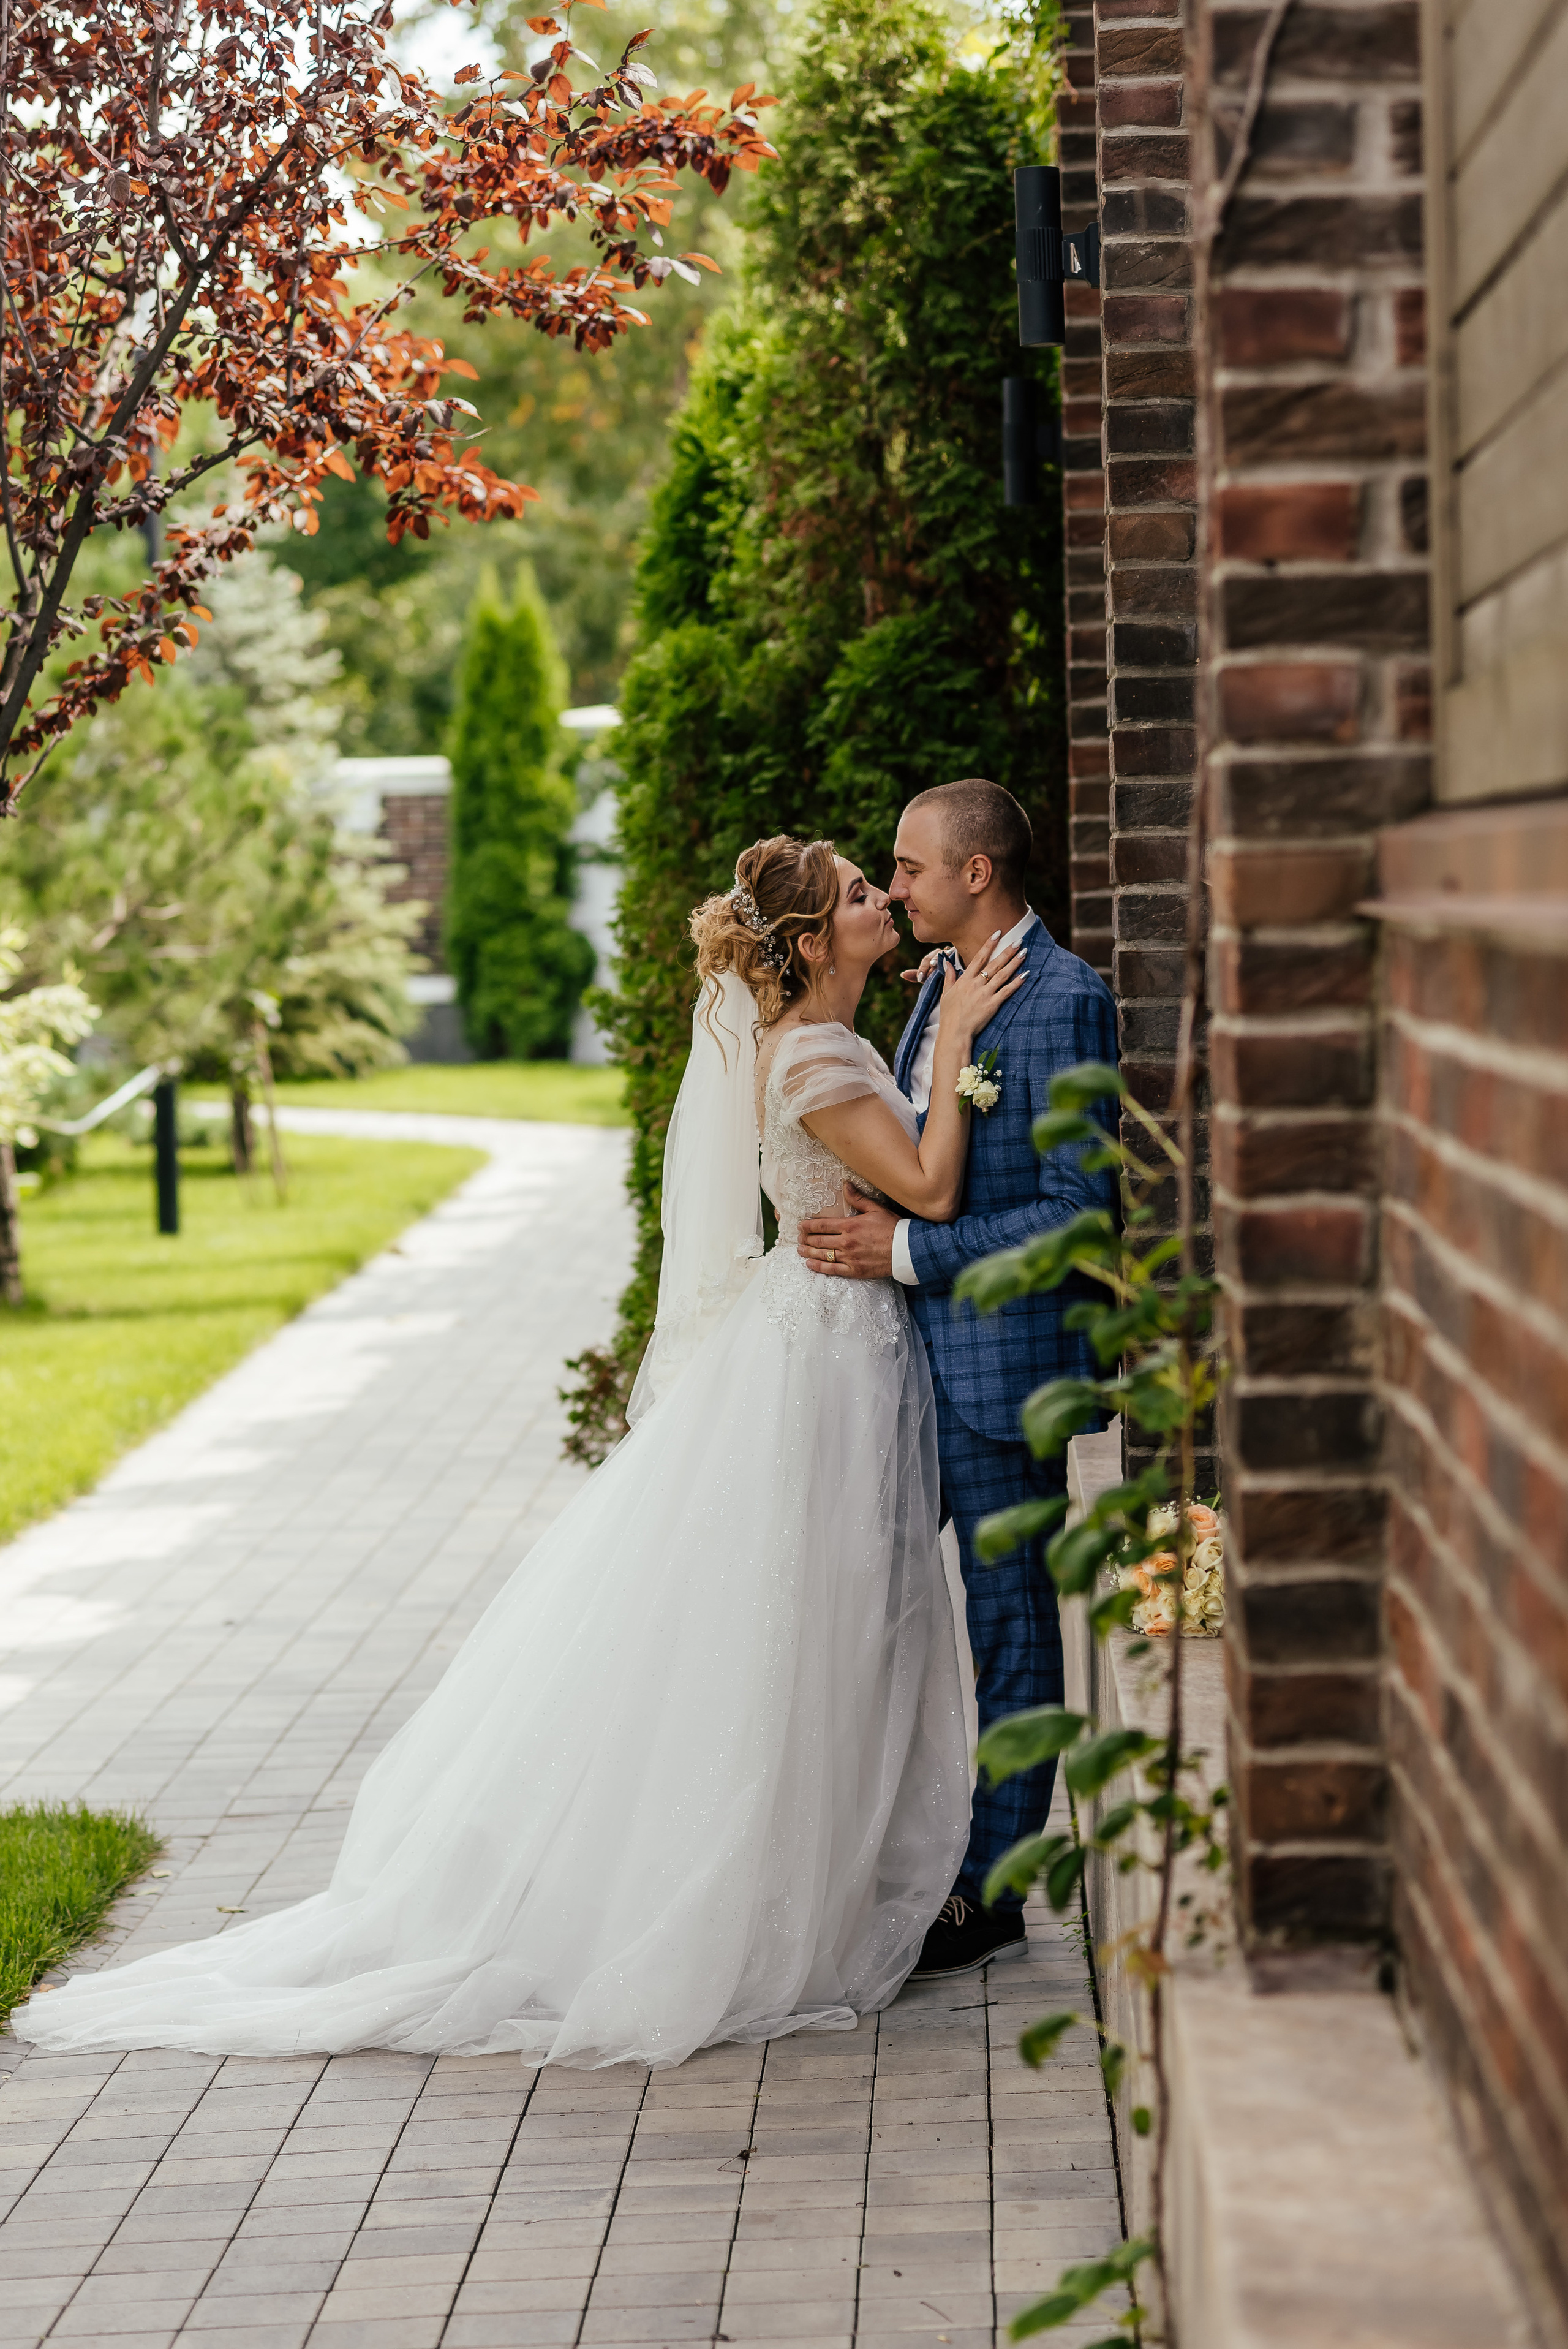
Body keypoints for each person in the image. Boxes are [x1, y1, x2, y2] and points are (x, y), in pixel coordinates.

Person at [14, 836, 1026, 2070]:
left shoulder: (826, 1038)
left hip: (834, 1341)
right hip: (825, 1354)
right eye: (862, 893)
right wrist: (960, 1035)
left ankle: (814, 1886)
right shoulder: (813, 1055)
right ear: (813, 942)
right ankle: (758, 1905)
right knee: (812, 1621)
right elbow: (929, 1186)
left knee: (832, 1617)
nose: (884, 899)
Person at [797, 780, 1118, 1980]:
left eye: (910, 866)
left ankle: (988, 1895)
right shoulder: (940, 986)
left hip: (1004, 1367)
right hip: (901, 1365)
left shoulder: (1064, 998)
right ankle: (871, 1854)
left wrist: (906, 1250)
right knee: (863, 1611)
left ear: (976, 872)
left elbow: (1080, 1213)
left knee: (1009, 1627)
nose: (894, 888)